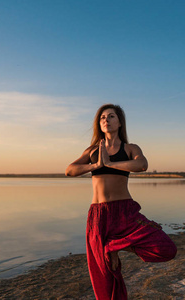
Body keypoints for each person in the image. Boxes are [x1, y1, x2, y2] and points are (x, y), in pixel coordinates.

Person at [65, 104, 177, 300]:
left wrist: (110, 164)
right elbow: (69, 170)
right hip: (98, 215)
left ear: (119, 122)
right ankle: (112, 247)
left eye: (111, 116)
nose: (106, 120)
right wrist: (96, 165)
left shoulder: (130, 148)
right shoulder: (92, 150)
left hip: (125, 212)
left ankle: (115, 245)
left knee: (166, 248)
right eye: (102, 118)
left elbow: (142, 165)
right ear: (99, 124)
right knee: (104, 275)